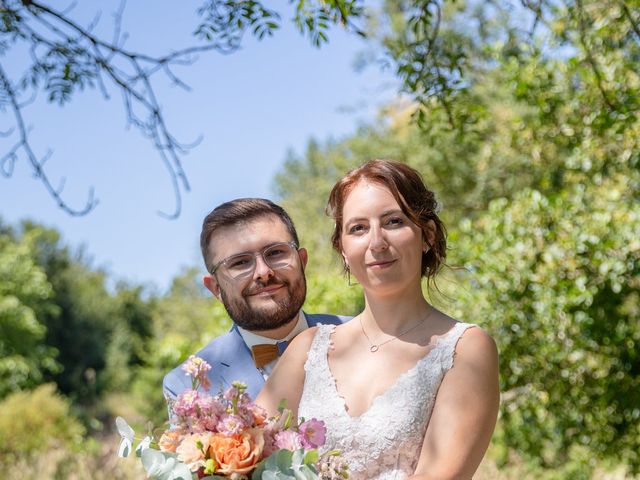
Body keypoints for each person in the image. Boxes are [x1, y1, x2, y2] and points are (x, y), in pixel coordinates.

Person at [257, 160, 500, 480]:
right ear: (343, 249)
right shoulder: (308, 348)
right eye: (358, 228)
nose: (376, 243)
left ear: (426, 235)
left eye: (394, 222)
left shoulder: (465, 349)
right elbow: (248, 450)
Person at [163, 198, 350, 406]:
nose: (263, 272)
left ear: (302, 261)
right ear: (216, 288)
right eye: (240, 263)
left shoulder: (366, 336)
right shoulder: (187, 386)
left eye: (276, 252)